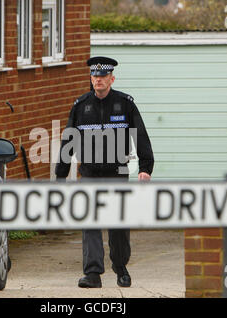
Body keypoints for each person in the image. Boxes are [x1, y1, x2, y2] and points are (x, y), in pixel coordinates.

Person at [55, 56, 154, 288]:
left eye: (103, 76)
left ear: (112, 78)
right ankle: (92, 273)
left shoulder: (125, 103)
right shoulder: (81, 105)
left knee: (118, 224)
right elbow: (68, 141)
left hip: (116, 173)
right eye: (95, 76)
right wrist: (61, 175)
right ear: (91, 78)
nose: (98, 80)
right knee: (90, 222)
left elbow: (140, 136)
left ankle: (120, 268)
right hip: (89, 174)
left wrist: (145, 168)